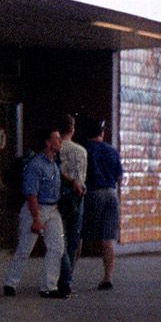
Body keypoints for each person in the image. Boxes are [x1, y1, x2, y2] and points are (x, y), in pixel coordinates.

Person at [3, 123, 67, 298]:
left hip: (52, 208)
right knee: (25, 247)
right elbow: (31, 194)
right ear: (48, 142)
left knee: (57, 247)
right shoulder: (36, 166)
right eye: (57, 138)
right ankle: (10, 283)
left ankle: (49, 286)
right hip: (36, 208)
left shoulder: (54, 163)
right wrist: (36, 219)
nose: (60, 141)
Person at [82, 118, 124, 290]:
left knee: (79, 234)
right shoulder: (112, 150)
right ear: (102, 132)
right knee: (107, 238)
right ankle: (108, 277)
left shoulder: (84, 149)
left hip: (92, 193)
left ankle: (67, 278)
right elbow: (119, 177)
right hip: (111, 194)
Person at [55, 114, 88, 295]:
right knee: (73, 240)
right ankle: (67, 278)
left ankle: (64, 278)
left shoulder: (56, 149)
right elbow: (82, 177)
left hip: (60, 197)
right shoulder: (81, 151)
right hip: (77, 197)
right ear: (72, 129)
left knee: (61, 238)